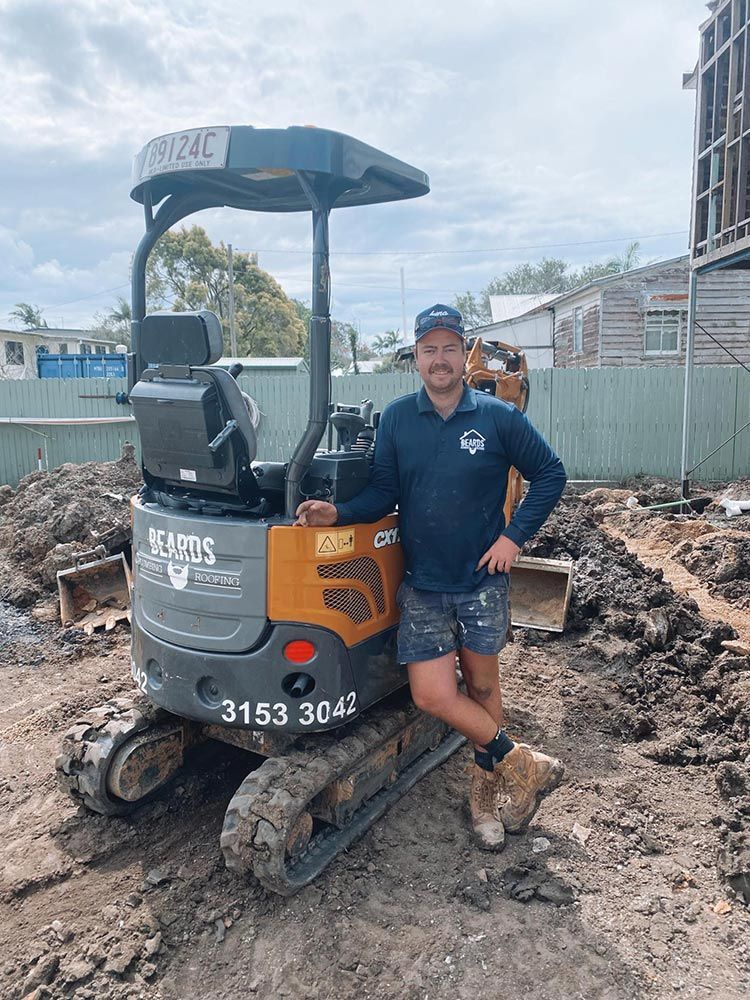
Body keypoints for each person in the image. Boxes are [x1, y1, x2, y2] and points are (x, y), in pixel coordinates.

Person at [296, 304, 567, 852]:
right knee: (432, 694)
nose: (439, 359)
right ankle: (522, 762)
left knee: (484, 686)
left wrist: (513, 539)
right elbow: (382, 494)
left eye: (448, 348)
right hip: (423, 584)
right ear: (415, 358)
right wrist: (339, 513)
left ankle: (485, 801)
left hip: (481, 581)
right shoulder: (397, 420)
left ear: (462, 355)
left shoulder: (497, 417)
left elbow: (550, 474)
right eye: (428, 349)